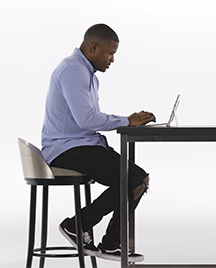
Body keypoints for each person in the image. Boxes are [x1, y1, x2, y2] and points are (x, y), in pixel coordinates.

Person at [41, 24, 156, 262]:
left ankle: (111, 244)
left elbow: (87, 120)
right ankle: (76, 225)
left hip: (83, 144)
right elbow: (87, 120)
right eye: (110, 52)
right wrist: (127, 120)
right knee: (131, 181)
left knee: (140, 180)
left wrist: (128, 121)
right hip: (67, 149)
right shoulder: (73, 71)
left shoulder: (86, 73)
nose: (112, 59)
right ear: (94, 47)